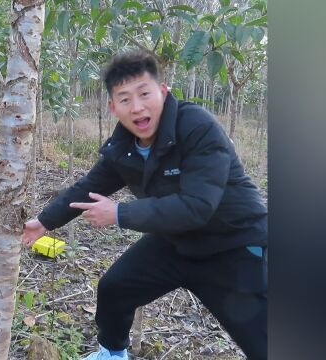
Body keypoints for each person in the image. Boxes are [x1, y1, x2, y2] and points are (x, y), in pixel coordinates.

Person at [21, 51, 267, 360]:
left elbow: (198, 206)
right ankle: (112, 354)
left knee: (263, 342)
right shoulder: (125, 146)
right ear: (112, 107)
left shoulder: (197, 128)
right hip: (175, 242)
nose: (137, 107)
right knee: (115, 289)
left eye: (144, 93)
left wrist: (120, 214)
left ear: (162, 92)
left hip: (232, 245)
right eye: (124, 99)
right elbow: (89, 186)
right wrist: (44, 222)